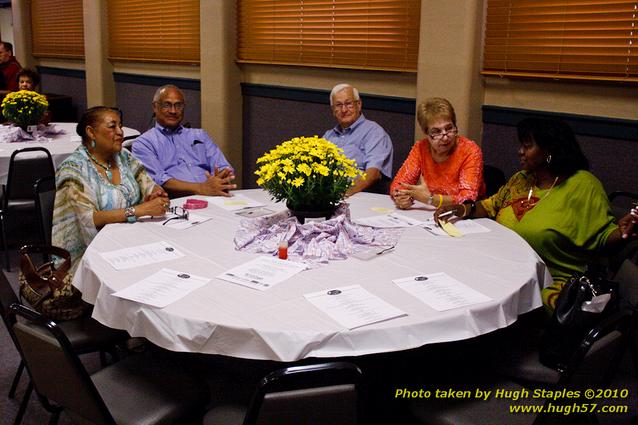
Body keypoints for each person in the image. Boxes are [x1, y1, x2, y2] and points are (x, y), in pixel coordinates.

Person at [434, 118, 637, 311]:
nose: (520, 151)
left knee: (478, 301)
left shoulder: (582, 185)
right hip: (502, 269)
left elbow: (602, 237)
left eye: (528, 146)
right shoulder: (521, 179)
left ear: (549, 151)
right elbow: (491, 205)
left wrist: (623, 231)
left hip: (552, 281)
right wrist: (464, 209)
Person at [52, 106, 169, 278]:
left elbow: (147, 184)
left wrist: (156, 194)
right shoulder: (73, 170)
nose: (120, 132)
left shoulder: (123, 156)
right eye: (112, 126)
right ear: (91, 132)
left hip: (133, 243)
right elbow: (88, 218)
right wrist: (138, 210)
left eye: (120, 126)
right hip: (88, 256)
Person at [132, 85, 236, 198]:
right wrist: (202, 188)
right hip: (178, 202)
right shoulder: (143, 143)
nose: (173, 111)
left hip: (214, 195)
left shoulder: (200, 135)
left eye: (178, 106)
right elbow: (160, 180)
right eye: (167, 105)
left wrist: (220, 180)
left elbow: (223, 166)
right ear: (155, 107)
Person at [390, 97, 484, 209]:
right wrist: (402, 198)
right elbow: (397, 185)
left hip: (465, 216)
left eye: (449, 128)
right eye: (437, 132)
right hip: (430, 213)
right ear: (426, 132)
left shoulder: (470, 151)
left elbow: (468, 198)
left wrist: (431, 199)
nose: (445, 137)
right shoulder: (421, 148)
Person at [322, 83, 393, 196]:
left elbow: (373, 173)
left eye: (349, 104)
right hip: (327, 196)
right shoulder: (328, 136)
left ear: (359, 104)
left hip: (361, 196)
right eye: (338, 105)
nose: (344, 109)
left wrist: (343, 194)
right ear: (333, 110)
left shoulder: (374, 132)